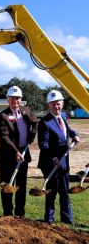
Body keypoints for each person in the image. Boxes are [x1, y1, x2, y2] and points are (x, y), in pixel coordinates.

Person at [0, 86, 38, 217]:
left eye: (18, 98)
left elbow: (35, 122)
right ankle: (7, 213)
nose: (15, 101)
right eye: (12, 98)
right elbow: (5, 137)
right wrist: (15, 151)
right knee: (6, 187)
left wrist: (32, 136)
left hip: (23, 155)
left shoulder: (26, 111)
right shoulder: (2, 116)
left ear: (21, 99)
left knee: (21, 186)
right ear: (8, 99)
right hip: (7, 157)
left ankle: (20, 213)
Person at [38, 90, 79, 224]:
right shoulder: (45, 122)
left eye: (59, 104)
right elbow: (43, 144)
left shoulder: (63, 116)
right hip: (51, 163)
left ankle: (66, 219)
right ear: (49, 105)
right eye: (53, 104)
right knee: (51, 193)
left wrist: (74, 134)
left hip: (64, 162)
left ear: (62, 103)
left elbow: (66, 130)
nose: (56, 107)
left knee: (64, 192)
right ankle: (49, 220)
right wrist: (53, 158)